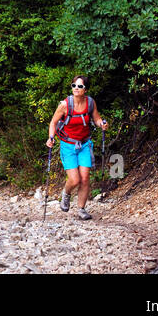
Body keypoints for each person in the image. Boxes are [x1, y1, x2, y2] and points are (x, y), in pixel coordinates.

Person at [46, 75, 109, 220]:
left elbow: (96, 118)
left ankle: (81, 209)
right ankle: (66, 194)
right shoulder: (64, 105)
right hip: (68, 146)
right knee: (74, 180)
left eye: (79, 86)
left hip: (85, 144)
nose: (76, 89)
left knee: (85, 178)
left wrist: (102, 124)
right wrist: (51, 137)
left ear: (85, 89)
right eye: (74, 85)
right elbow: (53, 122)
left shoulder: (90, 103)